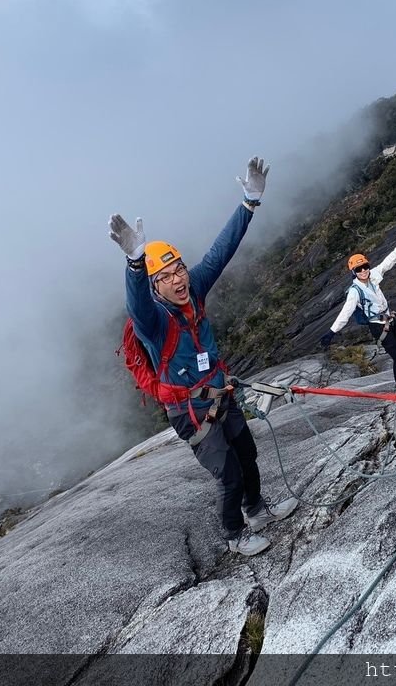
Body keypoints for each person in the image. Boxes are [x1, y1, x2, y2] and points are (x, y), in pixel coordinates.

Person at [108, 156, 297, 557]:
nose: (177, 279)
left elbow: (221, 250)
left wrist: (249, 203)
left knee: (247, 455)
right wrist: (135, 264)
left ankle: (257, 509)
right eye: (166, 277)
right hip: (189, 412)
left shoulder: (193, 289)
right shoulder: (153, 322)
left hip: (220, 394)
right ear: (156, 286)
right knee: (227, 473)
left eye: (178, 269)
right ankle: (234, 533)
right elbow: (137, 301)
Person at [318, 232, 396, 391]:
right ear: (353, 272)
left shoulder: (373, 276)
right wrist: (332, 332)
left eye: (365, 267)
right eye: (359, 269)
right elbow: (346, 312)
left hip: (390, 319)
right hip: (378, 325)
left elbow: (387, 263)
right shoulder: (355, 291)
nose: (364, 271)